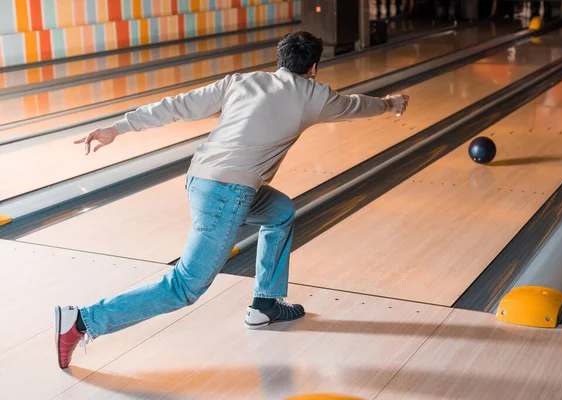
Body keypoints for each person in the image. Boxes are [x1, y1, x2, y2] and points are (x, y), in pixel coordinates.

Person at [55, 31, 409, 369]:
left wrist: (118, 127)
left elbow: (178, 105)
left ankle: (265, 303)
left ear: (279, 60)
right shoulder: (313, 95)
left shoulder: (241, 82)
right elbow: (356, 106)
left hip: (199, 180)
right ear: (313, 68)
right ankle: (83, 321)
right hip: (228, 195)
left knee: (281, 212)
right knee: (185, 286)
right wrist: (391, 104)